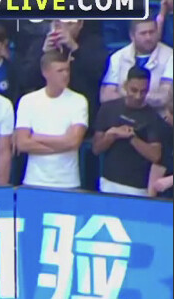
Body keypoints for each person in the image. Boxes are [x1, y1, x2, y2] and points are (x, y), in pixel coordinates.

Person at [14, 50, 89, 189]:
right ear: (46, 73)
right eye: (60, 71)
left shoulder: (79, 101)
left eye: (67, 70)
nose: (65, 75)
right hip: (34, 181)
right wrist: (63, 142)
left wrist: (37, 137)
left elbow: (74, 142)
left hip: (68, 182)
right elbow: (22, 144)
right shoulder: (28, 101)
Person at [92, 66, 164, 196]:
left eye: (143, 91)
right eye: (134, 90)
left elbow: (155, 155)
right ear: (125, 85)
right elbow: (96, 149)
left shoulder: (153, 117)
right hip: (108, 183)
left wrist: (131, 137)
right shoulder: (108, 108)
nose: (138, 96)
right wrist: (112, 135)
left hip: (137, 188)